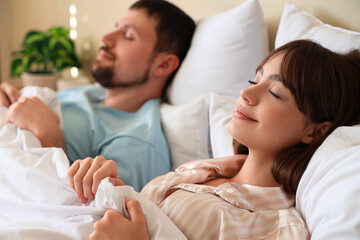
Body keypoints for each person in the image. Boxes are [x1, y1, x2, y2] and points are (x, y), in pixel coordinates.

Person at [68, 40, 360, 239]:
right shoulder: (202, 172)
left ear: (315, 131)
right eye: (254, 81)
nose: (246, 94)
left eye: (274, 93)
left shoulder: (276, 225)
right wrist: (106, 185)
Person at [0, 0, 195, 193]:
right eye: (115, 28)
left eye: (128, 35)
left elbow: (100, 214)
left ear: (164, 65)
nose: (106, 37)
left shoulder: (137, 143)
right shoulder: (87, 92)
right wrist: (9, 96)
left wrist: (48, 135)